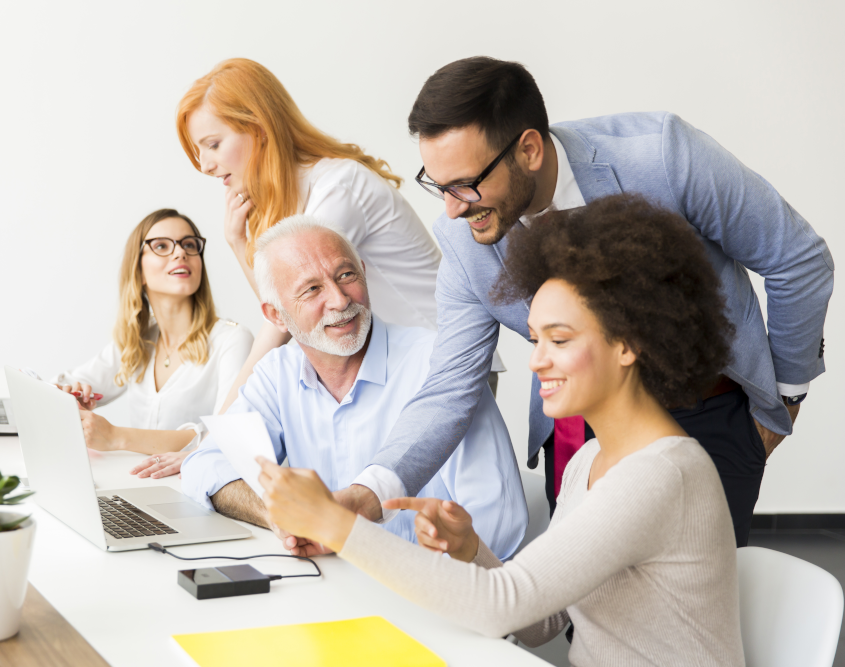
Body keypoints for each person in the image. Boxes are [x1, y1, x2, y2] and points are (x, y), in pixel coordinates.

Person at [340, 57, 834, 547]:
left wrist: (785, 400)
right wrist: (373, 489)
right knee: (585, 614)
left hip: (707, 414)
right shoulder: (463, 239)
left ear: (529, 149)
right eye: (438, 185)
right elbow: (449, 385)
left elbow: (798, 259)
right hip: (580, 440)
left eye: (466, 184)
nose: (451, 209)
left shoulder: (662, 156)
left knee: (683, 603)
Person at [257, 195, 745, 667]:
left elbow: (502, 607)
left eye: (559, 339)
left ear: (628, 344)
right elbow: (543, 619)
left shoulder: (661, 474)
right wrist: (472, 551)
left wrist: (336, 525)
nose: (537, 361)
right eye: (535, 340)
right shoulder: (588, 461)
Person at [175, 59, 498, 430]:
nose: (204, 165)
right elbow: (287, 312)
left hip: (442, 368)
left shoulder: (336, 192)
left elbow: (285, 326)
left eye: (212, 145)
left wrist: (215, 433)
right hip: (399, 372)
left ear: (259, 129)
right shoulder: (303, 194)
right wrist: (238, 242)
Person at [180, 216, 527, 559]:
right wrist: (280, 517)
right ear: (276, 316)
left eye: (346, 275)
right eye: (312, 289)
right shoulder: (277, 373)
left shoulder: (440, 367)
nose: (340, 300)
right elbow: (205, 464)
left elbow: (499, 527)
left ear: (363, 271)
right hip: (326, 587)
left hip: (426, 594)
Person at [52, 208, 253, 471]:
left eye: (189, 245)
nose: (180, 253)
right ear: (138, 270)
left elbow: (222, 438)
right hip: (138, 487)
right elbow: (63, 385)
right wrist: (70, 397)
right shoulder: (137, 342)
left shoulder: (233, 341)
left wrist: (114, 436)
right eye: (161, 246)